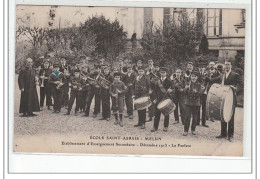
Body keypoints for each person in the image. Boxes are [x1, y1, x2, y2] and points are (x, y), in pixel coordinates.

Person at [216, 59, 243, 142]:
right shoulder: (223, 75)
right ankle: (223, 134)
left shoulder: (235, 75)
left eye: (228, 64)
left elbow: (242, 85)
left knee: (230, 116)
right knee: (223, 114)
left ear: (231, 66)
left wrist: (235, 91)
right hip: (223, 98)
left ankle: (230, 135)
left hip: (232, 98)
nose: (227, 66)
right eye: (226, 64)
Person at [151, 67, 173, 132]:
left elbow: (174, 89)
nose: (162, 74)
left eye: (164, 72)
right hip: (158, 99)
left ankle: (166, 126)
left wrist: (171, 90)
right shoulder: (158, 81)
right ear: (160, 73)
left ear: (166, 73)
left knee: (166, 113)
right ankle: (155, 127)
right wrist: (154, 98)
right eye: (161, 72)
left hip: (166, 99)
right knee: (157, 113)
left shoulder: (169, 81)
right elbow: (155, 91)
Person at [182, 71, 204, 136]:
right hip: (188, 103)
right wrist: (185, 89)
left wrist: (196, 92)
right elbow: (183, 93)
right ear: (190, 77)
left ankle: (193, 130)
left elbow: (200, 94)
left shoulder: (199, 85)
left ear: (197, 78)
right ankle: (185, 130)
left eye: (195, 76)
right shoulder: (187, 84)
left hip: (196, 103)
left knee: (195, 117)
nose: (193, 78)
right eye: (192, 76)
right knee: (187, 117)